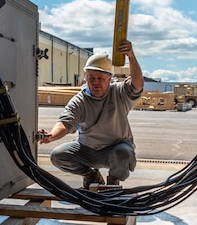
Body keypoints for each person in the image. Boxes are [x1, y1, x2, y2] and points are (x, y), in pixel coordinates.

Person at [39, 40, 143, 187]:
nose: (96, 82)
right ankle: (91, 175)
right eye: (91, 78)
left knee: (124, 153)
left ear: (109, 78)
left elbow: (137, 84)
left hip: (115, 149)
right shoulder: (80, 99)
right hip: (87, 150)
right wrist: (51, 136)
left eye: (100, 78)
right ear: (86, 78)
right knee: (58, 156)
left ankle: (113, 181)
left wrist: (131, 56)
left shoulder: (119, 93)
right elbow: (65, 122)